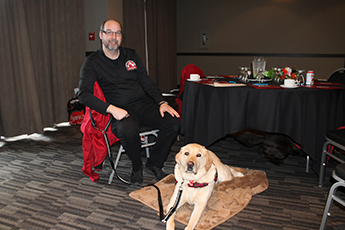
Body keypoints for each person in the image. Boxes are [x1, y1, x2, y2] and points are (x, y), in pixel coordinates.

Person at [78, 19, 180, 184]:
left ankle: (155, 163)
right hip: (120, 110)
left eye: (117, 33)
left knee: (173, 121)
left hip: (143, 104)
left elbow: (146, 82)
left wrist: (162, 102)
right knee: (128, 130)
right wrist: (111, 109)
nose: (113, 36)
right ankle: (136, 166)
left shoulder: (131, 55)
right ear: (101, 35)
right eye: (109, 32)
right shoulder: (92, 62)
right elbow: (83, 95)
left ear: (121, 36)